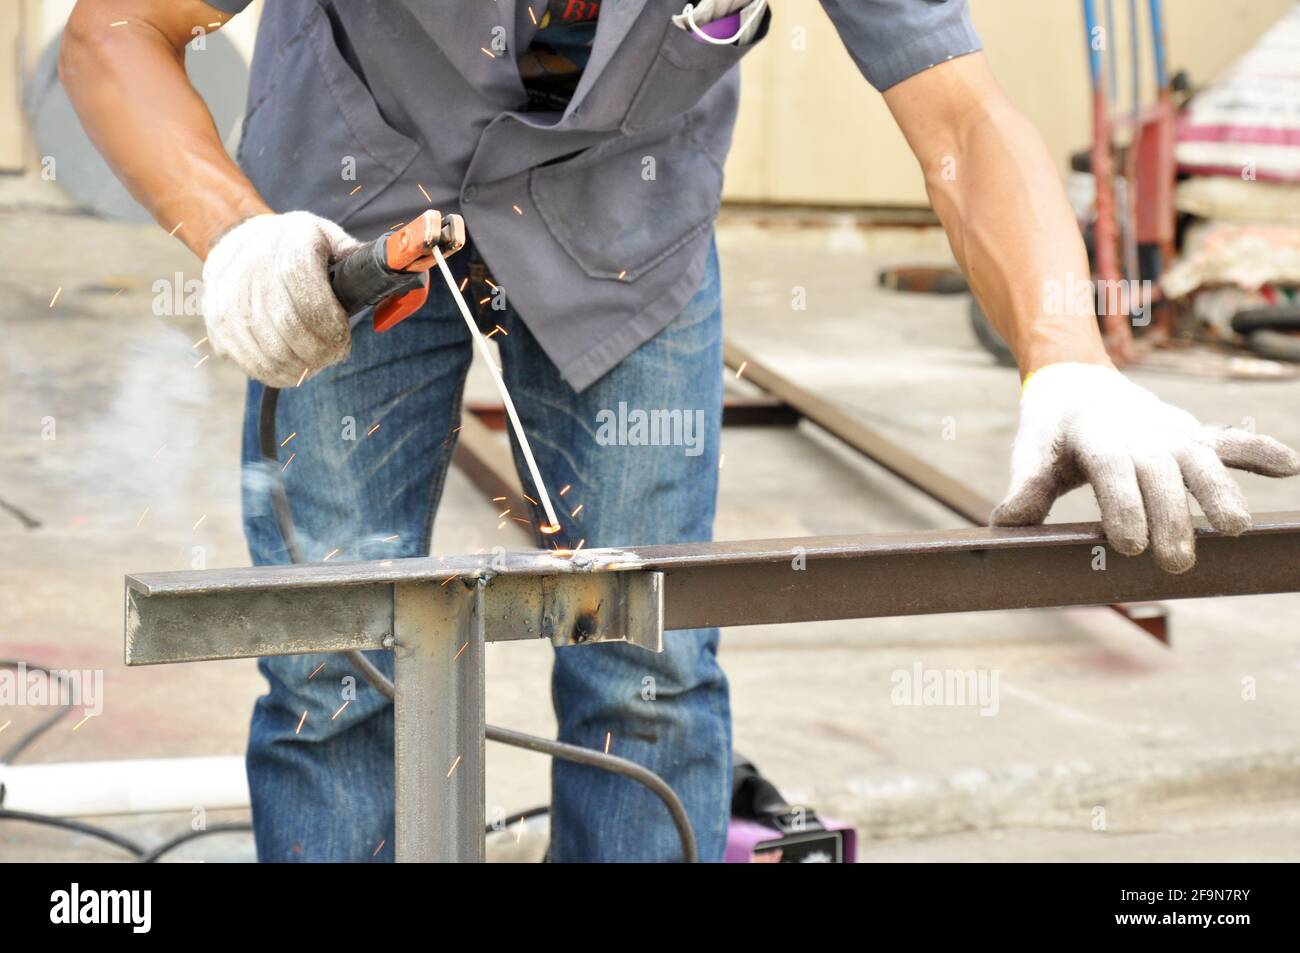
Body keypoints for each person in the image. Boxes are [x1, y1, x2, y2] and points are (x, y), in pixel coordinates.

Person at [61, 0, 1299, 862]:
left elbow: (962, 120)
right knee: (331, 660)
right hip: (342, 216)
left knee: (647, 662)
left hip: (625, 234)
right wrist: (229, 231)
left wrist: (1068, 359)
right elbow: (114, 29)